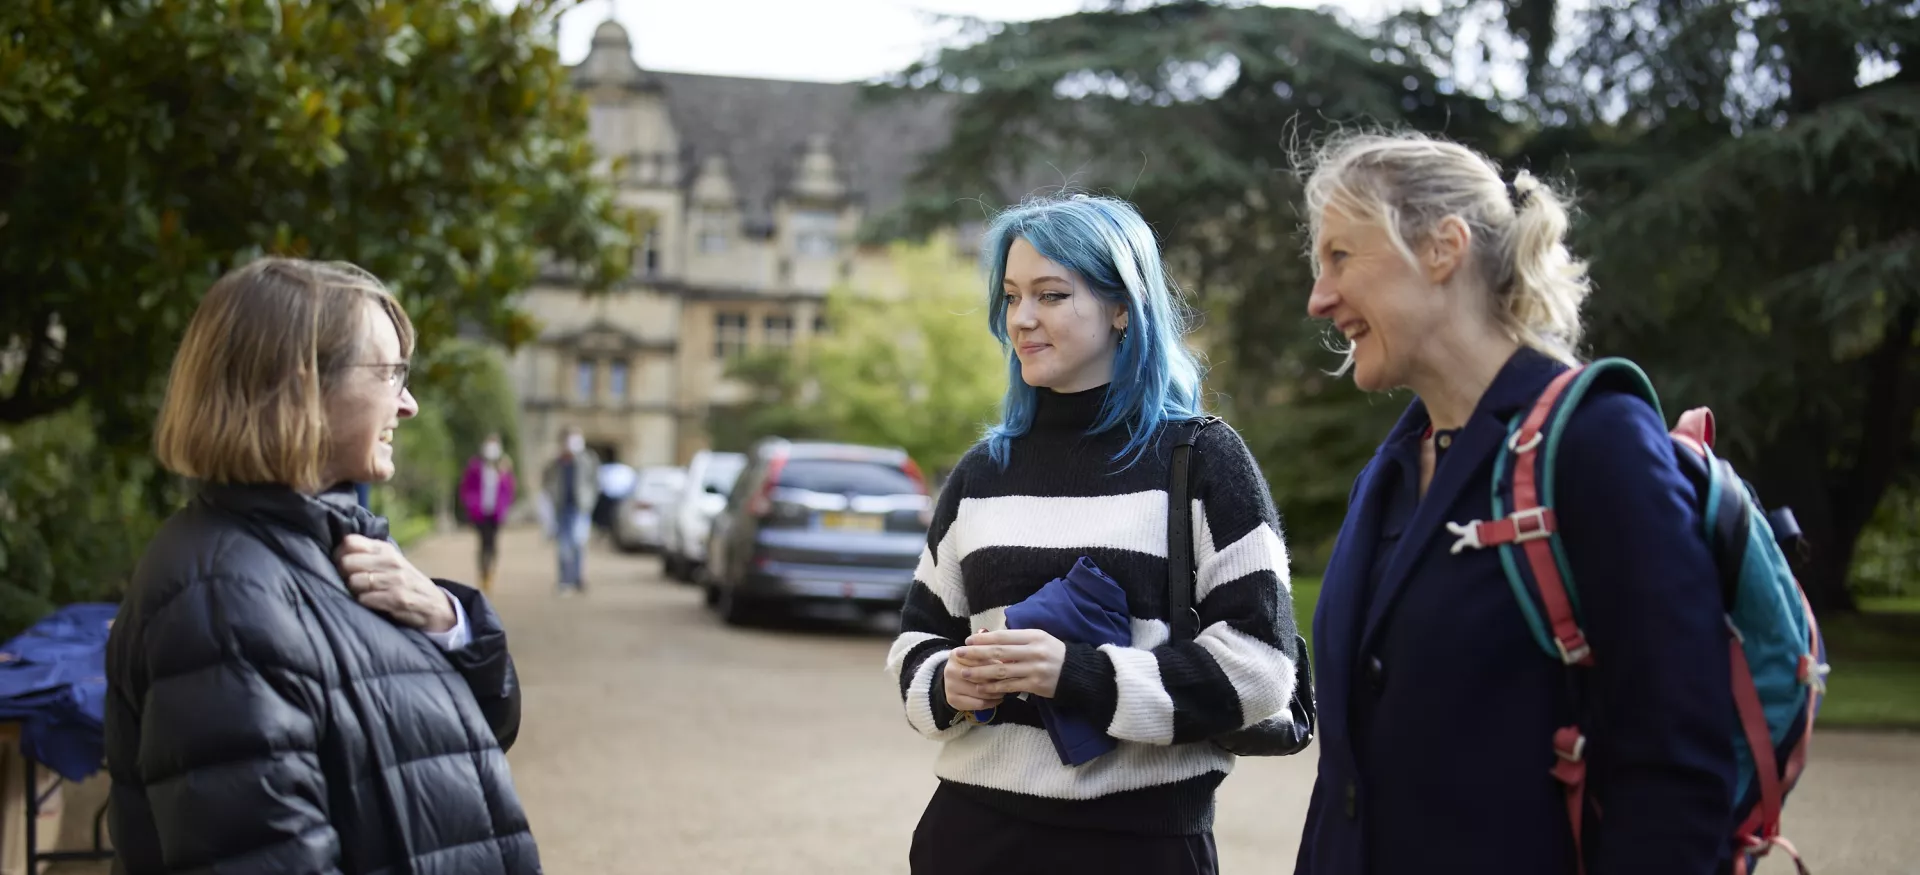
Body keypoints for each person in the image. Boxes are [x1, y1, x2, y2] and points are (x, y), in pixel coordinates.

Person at [1292, 131, 1737, 874]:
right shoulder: (1392, 471)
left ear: (1443, 248)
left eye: (1341, 256)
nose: (1318, 298)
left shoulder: (1597, 441)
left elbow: (1675, 770)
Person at [885, 194, 1302, 875]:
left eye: (1051, 294)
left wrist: (1072, 673)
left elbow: (1262, 669)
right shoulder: (981, 471)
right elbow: (916, 642)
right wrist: (950, 681)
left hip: (1138, 844)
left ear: (1121, 307)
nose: (1021, 318)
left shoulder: (1203, 461)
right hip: (969, 835)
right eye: (1012, 295)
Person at [105, 257, 537, 873]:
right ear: (299, 385)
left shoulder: (332, 547)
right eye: (390, 373)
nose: (408, 404)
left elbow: (476, 737)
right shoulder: (221, 602)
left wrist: (447, 622)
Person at [540, 426, 599, 593]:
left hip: (580, 507)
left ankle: (578, 578)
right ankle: (564, 579)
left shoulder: (586, 459)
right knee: (564, 545)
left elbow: (594, 481)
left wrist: (589, 501)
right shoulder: (556, 463)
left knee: (579, 543)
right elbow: (546, 481)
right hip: (561, 508)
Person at [460, 432, 517, 592]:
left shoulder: (503, 467)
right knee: (482, 543)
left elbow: (509, 490)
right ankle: (483, 573)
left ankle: (490, 572)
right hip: (480, 512)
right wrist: (471, 504)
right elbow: (466, 488)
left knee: (492, 544)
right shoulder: (475, 466)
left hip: (496, 513)